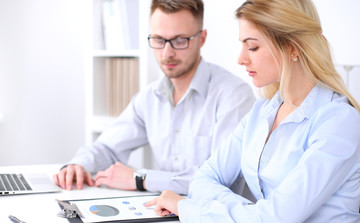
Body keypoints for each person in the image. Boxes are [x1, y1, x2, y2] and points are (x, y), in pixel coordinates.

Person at [145, 0, 360, 223]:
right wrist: (260, 216)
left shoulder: (338, 122)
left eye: (253, 47)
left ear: (292, 47)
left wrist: (186, 207)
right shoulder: (261, 113)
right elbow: (202, 181)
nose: (241, 59)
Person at [53, 0, 255, 195]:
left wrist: (141, 179)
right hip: (165, 215)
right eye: (158, 40)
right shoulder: (149, 98)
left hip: (214, 221)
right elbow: (107, 148)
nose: (167, 52)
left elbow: (220, 181)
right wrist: (78, 164)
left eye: (179, 41)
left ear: (201, 39)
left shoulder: (234, 96)